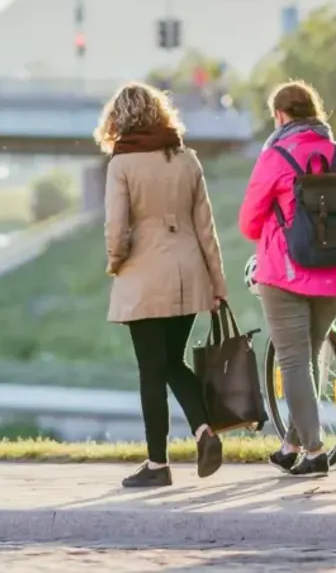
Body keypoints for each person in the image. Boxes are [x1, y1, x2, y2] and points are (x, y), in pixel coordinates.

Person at [98, 81, 229, 489]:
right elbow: (206, 228)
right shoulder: (187, 159)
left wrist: (116, 260)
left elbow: (117, 228)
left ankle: (158, 464)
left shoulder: (122, 164)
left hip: (144, 275)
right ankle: (204, 430)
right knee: (173, 361)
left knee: (151, 370)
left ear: (119, 119)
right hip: (189, 273)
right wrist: (217, 281)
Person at [239, 80, 336, 478]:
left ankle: (314, 451)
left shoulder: (276, 156)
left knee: (293, 362)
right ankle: (292, 444)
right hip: (335, 271)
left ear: (279, 115)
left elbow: (248, 222)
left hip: (287, 273)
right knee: (307, 359)